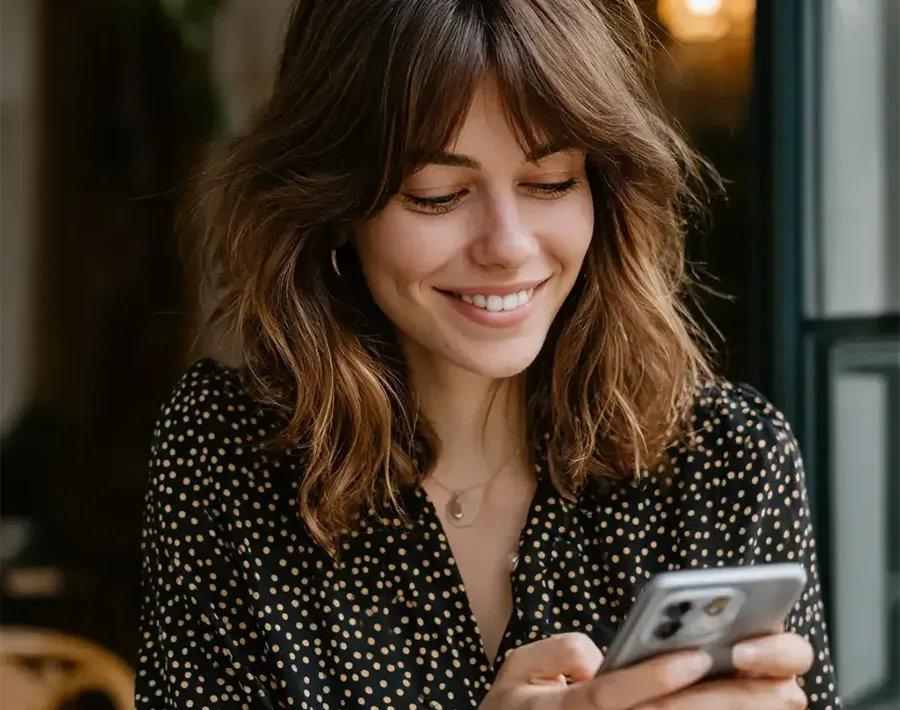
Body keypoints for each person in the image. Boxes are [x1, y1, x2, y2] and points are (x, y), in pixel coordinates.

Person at [135, 0, 841, 708]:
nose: (507, 246)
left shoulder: (727, 458)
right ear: (335, 205)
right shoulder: (227, 451)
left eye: (551, 182)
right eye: (436, 194)